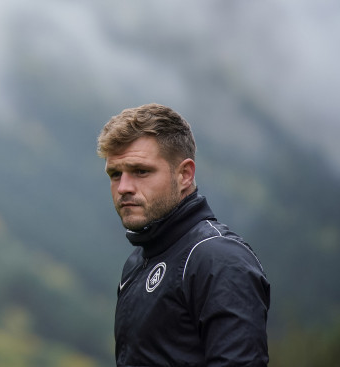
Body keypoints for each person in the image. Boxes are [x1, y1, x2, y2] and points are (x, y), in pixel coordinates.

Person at [96, 103, 270, 366]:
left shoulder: (218, 258)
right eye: (115, 174)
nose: (123, 187)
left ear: (185, 174)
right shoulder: (138, 261)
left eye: (141, 171)